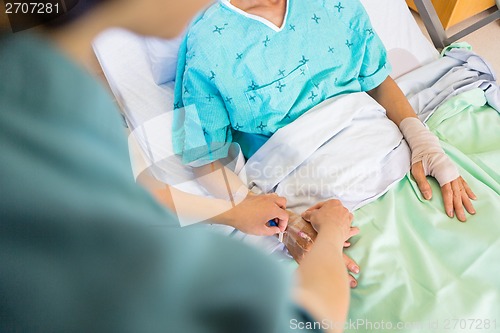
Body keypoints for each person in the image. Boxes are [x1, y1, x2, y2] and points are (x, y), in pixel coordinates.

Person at [0, 0, 357, 332]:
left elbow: (140, 197)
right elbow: (310, 320)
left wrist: (233, 210)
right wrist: (330, 232)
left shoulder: (47, 86)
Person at [173, 0, 477, 223]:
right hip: (311, 196)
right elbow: (204, 158)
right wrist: (268, 216)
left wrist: (422, 140)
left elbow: (377, 80)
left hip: (391, 153)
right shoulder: (211, 44)